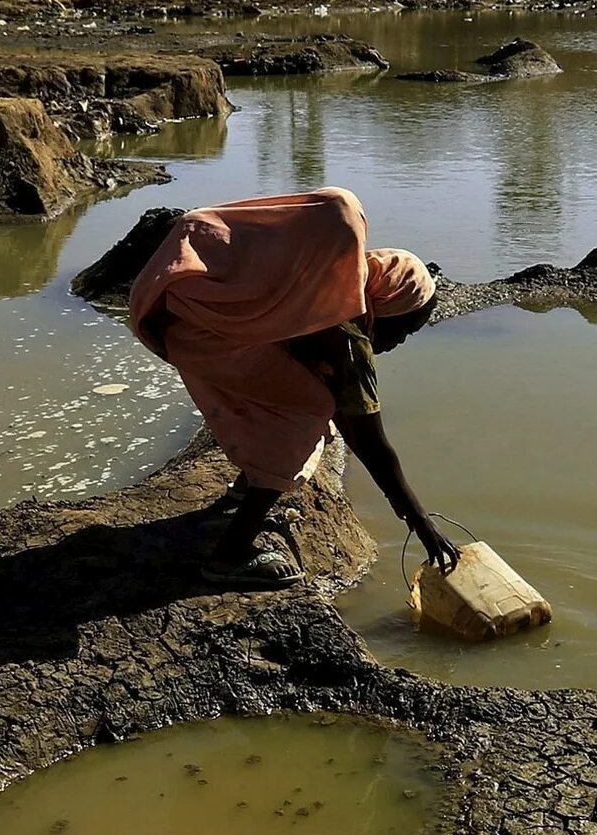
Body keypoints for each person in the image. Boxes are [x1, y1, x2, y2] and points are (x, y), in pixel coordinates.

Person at [126, 186, 455, 588]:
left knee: (286, 387)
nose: (399, 341)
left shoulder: (308, 272)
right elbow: (368, 437)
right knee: (307, 412)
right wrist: (418, 519)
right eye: (405, 328)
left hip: (178, 304)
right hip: (201, 332)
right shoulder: (344, 328)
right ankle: (230, 554)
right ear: (390, 301)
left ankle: (248, 485)